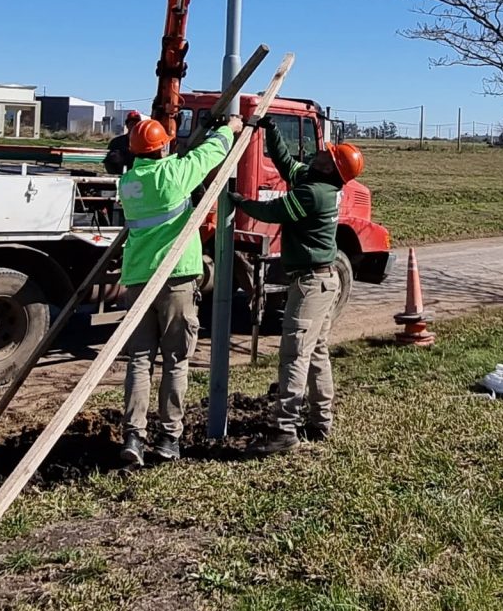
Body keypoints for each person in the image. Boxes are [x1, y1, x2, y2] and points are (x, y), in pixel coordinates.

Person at [115, 109, 244, 465]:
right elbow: (209, 155)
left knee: (139, 361)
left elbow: (179, 159)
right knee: (175, 360)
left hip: (138, 280)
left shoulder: (128, 183)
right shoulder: (173, 174)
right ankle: (170, 438)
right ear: (161, 150)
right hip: (176, 278)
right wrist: (230, 128)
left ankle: (133, 438)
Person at [237, 130, 366, 452]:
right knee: (317, 350)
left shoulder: (315, 193)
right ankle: (321, 421)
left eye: (327, 155)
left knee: (295, 352)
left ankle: (284, 430)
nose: (320, 152)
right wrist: (270, 129)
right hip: (322, 281)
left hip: (312, 284)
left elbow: (272, 212)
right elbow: (285, 163)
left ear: (331, 169)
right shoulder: (316, 181)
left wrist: (240, 202)